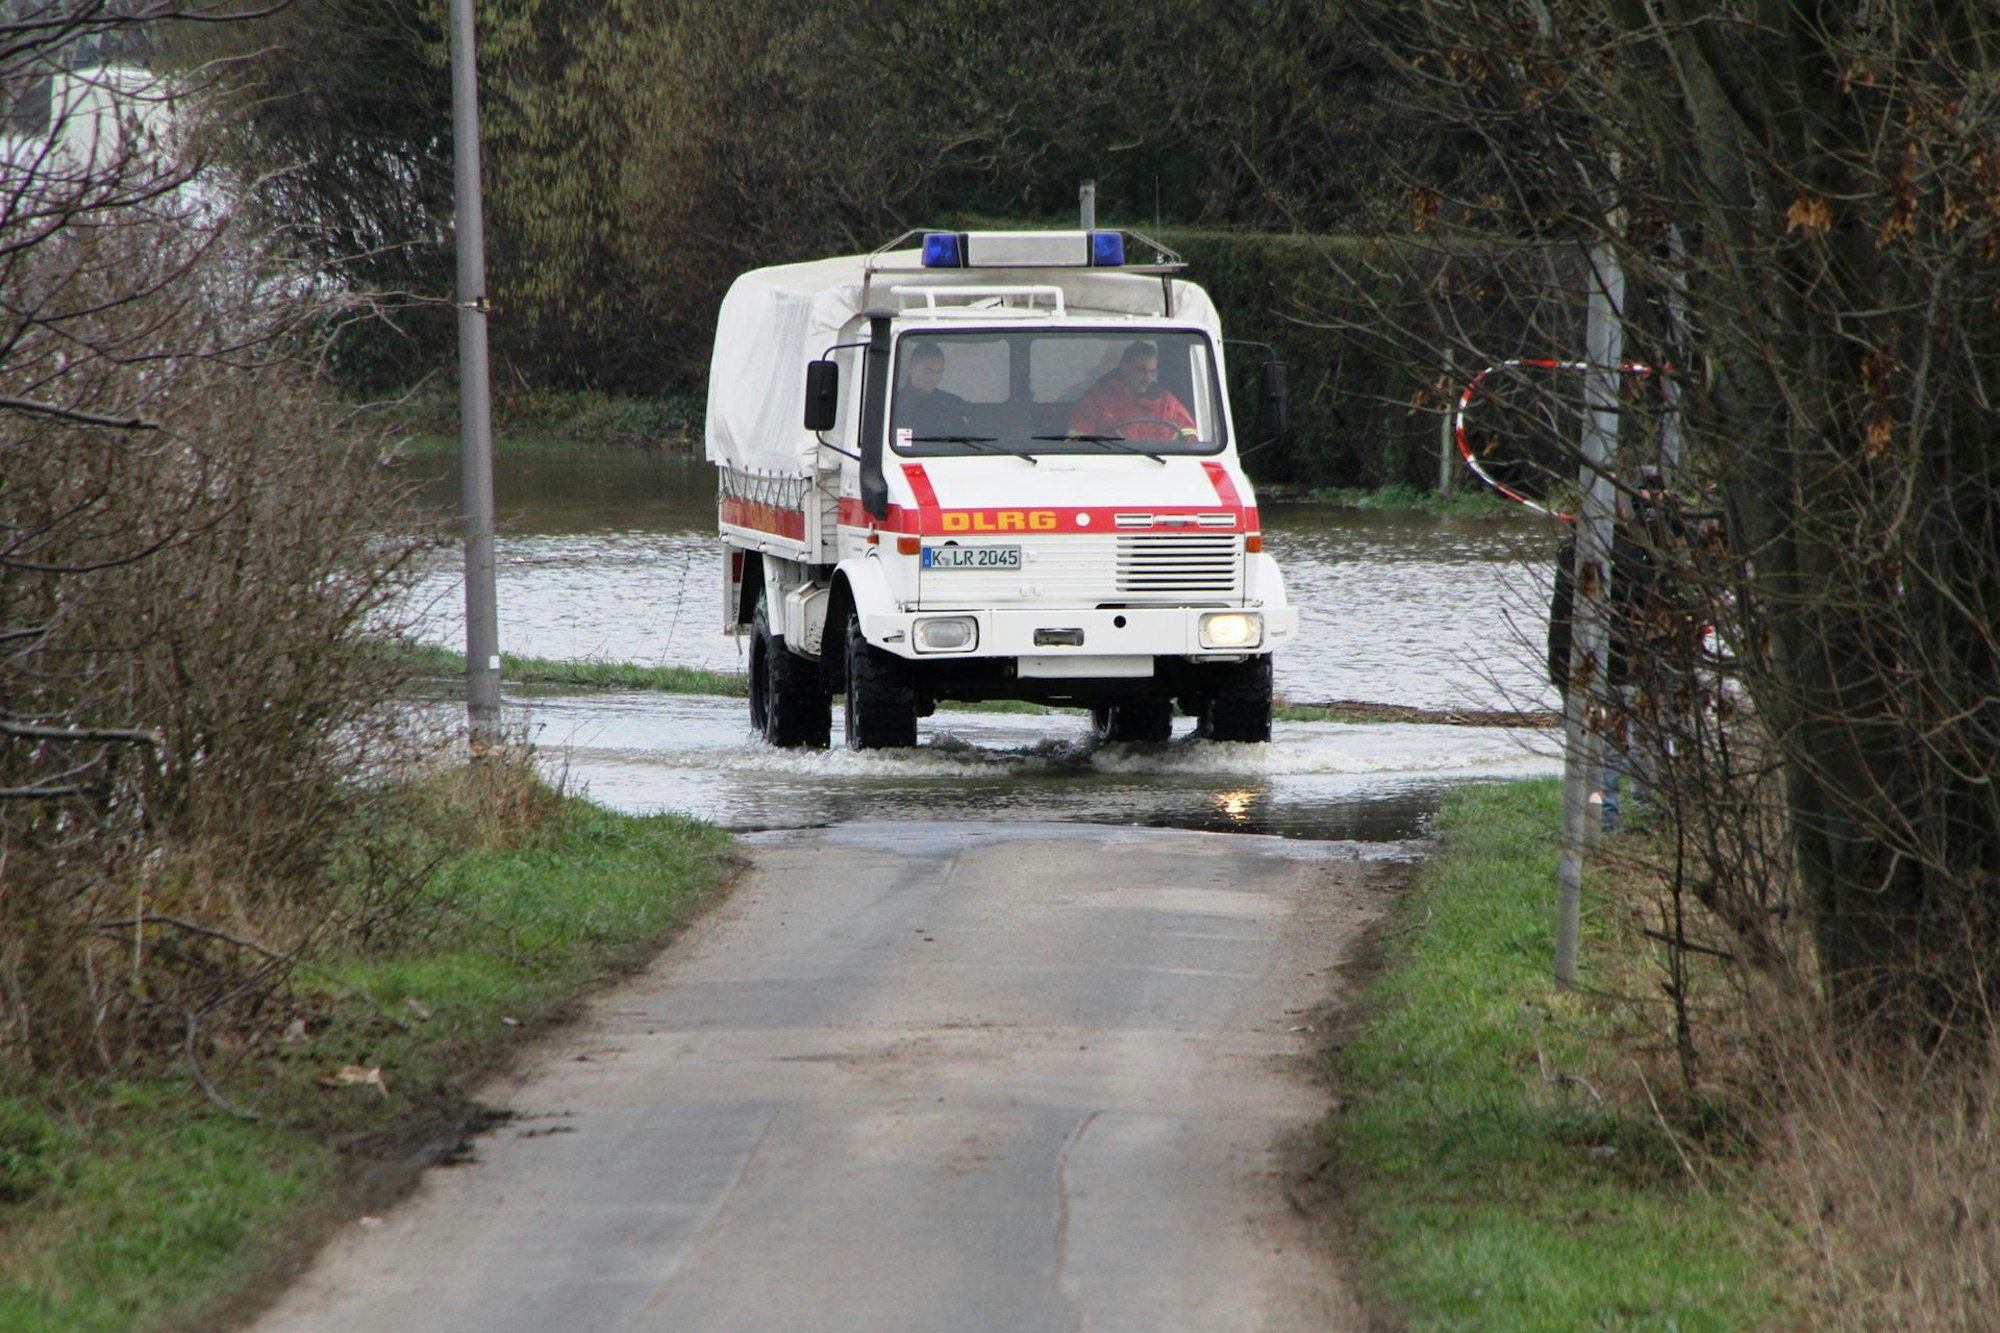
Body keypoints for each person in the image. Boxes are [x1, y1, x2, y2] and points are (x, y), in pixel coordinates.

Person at [1547, 466, 1689, 830]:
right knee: (1607, 748)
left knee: (1602, 749)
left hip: (1598, 666)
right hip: (1603, 666)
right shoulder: (1603, 553)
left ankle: (1608, 815)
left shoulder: (1580, 551)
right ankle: (1607, 817)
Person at [1066, 341, 1198, 443]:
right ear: (1124, 369)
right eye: (1140, 371)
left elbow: (1189, 439)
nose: (1147, 378)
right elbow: (1077, 442)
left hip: (1157, 467)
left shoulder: (1167, 403)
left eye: (1152, 372)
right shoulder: (1096, 400)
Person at [893, 341, 971, 438]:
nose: (934, 378)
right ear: (910, 368)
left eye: (939, 372)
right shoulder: (894, 404)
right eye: (927, 371)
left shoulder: (953, 404)